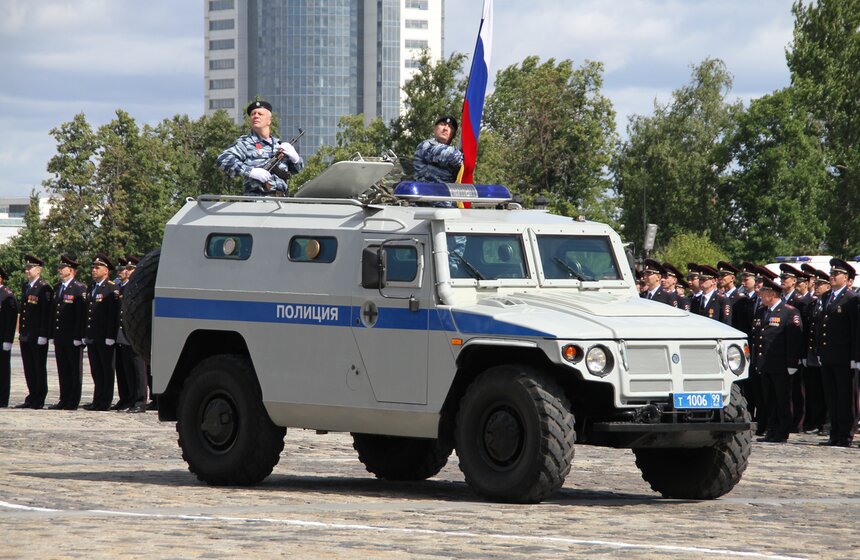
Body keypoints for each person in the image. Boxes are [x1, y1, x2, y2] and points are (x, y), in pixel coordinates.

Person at [750, 276, 804, 443]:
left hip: (781, 365)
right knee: (769, 399)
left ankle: (782, 431)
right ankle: (771, 430)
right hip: (765, 364)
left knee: (782, 399)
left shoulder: (789, 311)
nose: (760, 295)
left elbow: (794, 340)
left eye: (763, 292)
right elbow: (757, 339)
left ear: (771, 294)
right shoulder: (761, 311)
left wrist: (792, 362)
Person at [812, 258, 858, 447]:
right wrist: (819, 352)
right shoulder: (826, 297)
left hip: (844, 357)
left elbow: (855, 330)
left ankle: (845, 435)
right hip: (828, 355)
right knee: (831, 396)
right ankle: (834, 433)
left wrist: (856, 357)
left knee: (844, 397)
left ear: (846, 277)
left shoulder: (851, 298)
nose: (831, 277)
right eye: (831, 274)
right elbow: (821, 327)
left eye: (835, 274)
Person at [217, 99, 304, 196]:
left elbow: (297, 170)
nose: (256, 116)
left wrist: (296, 159)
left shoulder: (279, 145)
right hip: (256, 201)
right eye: (253, 114)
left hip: (281, 201)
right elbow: (223, 159)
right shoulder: (245, 143)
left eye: (260, 114)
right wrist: (251, 172)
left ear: (269, 120)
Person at [49, 254, 86, 410]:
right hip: (60, 336)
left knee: (74, 370)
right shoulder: (58, 288)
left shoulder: (79, 288)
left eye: (62, 268)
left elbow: (81, 315)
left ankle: (73, 400)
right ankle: (63, 399)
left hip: (72, 337)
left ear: (70, 270)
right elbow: (54, 312)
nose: (59, 270)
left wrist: (79, 336)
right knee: (63, 369)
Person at [16, 254, 53, 409]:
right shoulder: (26, 286)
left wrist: (44, 334)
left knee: (38, 367)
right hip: (26, 334)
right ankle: (31, 396)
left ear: (38, 270)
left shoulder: (44, 288)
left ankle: (39, 397)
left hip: (37, 335)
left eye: (30, 268)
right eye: (26, 268)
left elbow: (46, 313)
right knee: (29, 368)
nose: (27, 270)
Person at [84, 254, 119, 411]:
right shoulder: (92, 287)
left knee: (106, 370)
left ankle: (105, 401)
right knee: (96, 370)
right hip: (93, 336)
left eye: (97, 267)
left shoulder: (111, 288)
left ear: (106, 271)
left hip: (105, 337)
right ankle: (97, 399)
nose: (93, 270)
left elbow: (113, 314)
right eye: (93, 267)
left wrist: (110, 336)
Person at [116, 256, 148, 413]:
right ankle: (130, 398)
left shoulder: (139, 287)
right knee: (127, 369)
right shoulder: (124, 288)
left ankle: (140, 400)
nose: (126, 272)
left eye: (130, 269)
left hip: (136, 334)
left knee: (138, 369)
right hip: (124, 333)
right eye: (126, 269)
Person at [412, 116, 464, 183]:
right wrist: (468, 157)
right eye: (442, 124)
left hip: (444, 192)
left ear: (454, 135)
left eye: (450, 127)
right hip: (424, 191)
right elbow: (452, 156)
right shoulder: (426, 145)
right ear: (434, 129)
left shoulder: (455, 150)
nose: (445, 128)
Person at [0, 266, 18, 408]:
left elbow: (11, 320)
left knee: (3, 370)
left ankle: (2, 399)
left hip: (2, 339)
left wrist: (8, 340)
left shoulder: (7, 295)